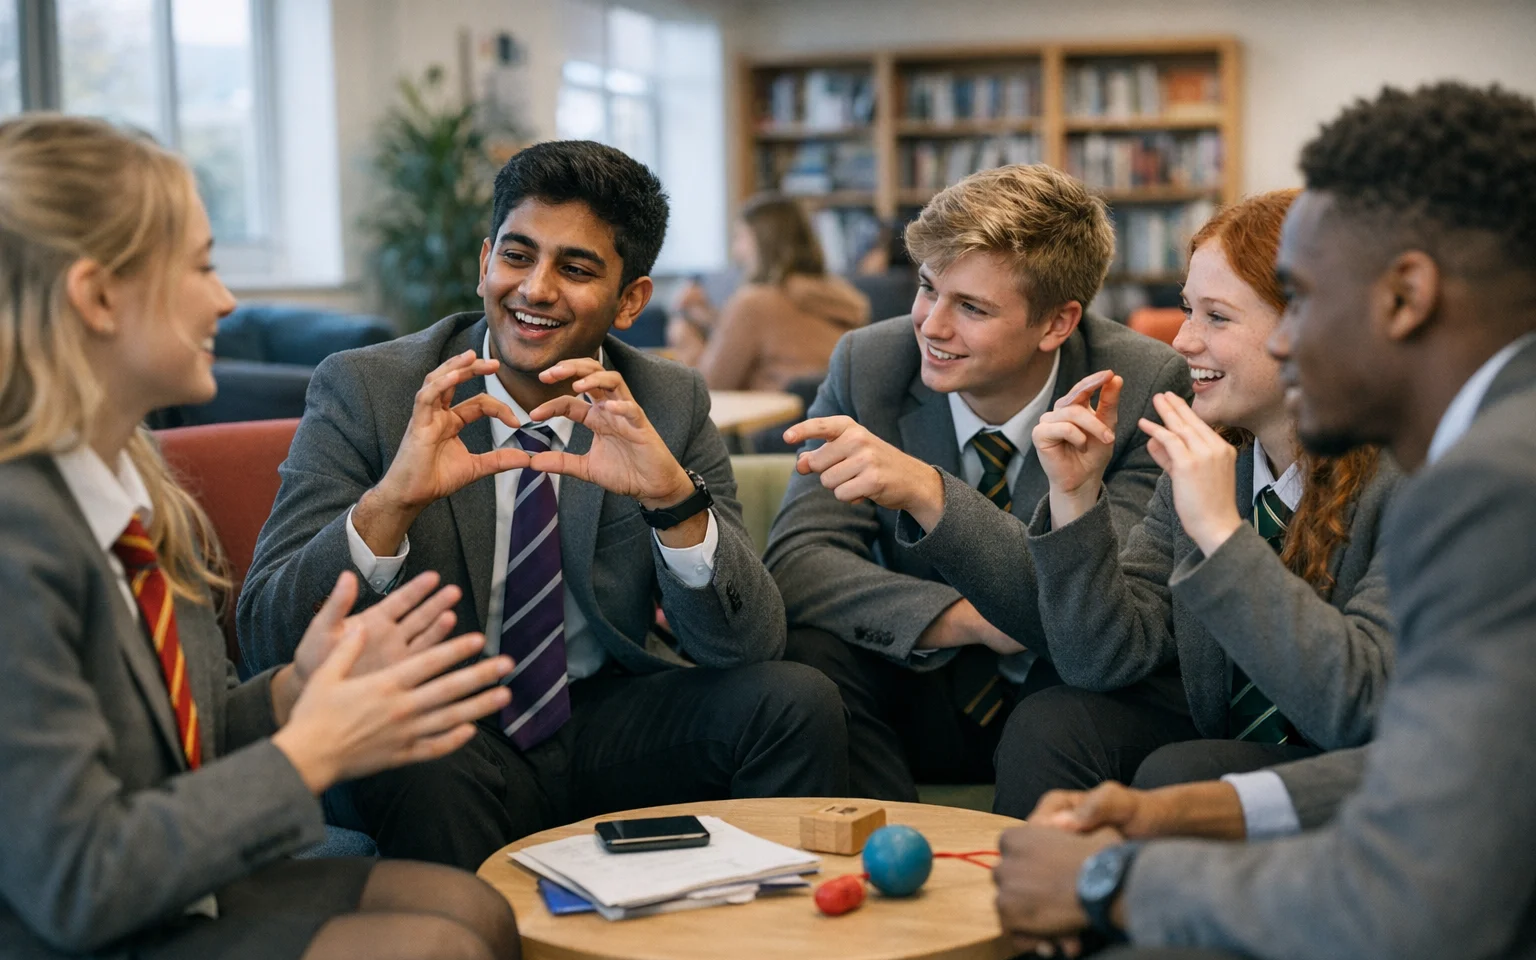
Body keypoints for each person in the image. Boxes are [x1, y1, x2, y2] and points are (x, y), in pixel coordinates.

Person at [991, 81, 1536, 960]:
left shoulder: (1488, 481)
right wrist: (1189, 814)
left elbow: (1408, 901)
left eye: (1308, 299)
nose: (1185, 345)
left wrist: (1110, 882)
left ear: (1405, 296)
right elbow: (1449, 761)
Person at [0, 115, 521, 960]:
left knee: (475, 908)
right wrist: (310, 748)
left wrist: (291, 694)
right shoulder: (17, 537)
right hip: (59, 959)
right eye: (201, 266)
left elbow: (162, 741)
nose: (227, 300)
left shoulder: (135, 487)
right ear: (96, 296)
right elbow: (78, 884)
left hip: (157, 897)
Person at [238, 140, 848, 873]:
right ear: (485, 259)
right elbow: (266, 634)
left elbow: (746, 645)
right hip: (437, 728)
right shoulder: (370, 389)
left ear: (631, 300)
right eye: (518, 257)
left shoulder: (665, 400)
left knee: (795, 700)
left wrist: (671, 501)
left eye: (577, 268)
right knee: (407, 748)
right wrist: (389, 505)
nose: (535, 289)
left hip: (598, 717)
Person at [765, 163, 1190, 801]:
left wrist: (929, 493)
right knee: (808, 658)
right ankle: (882, 865)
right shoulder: (870, 363)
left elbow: (1106, 617)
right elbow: (797, 564)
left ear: (1056, 324)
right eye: (928, 288)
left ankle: (1019, 886)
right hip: (916, 680)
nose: (932, 325)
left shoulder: (1138, 384)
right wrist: (969, 619)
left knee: (1065, 705)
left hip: (1062, 697)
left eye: (971, 307)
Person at [986, 189, 1399, 819]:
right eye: (1187, 311)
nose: (1182, 341)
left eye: (1217, 318)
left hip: (1370, 772)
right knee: (1052, 721)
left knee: (1184, 771)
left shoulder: (1417, 472)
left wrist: (1221, 534)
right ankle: (1034, 907)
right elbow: (1101, 659)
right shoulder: (1212, 456)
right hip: (1244, 742)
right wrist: (1076, 495)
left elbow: (1361, 708)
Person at [667, 192, 870, 391]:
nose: (736, 251)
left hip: (777, 421)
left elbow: (708, 388)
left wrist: (686, 338)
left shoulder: (753, 303)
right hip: (831, 421)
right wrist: (715, 323)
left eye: (741, 237)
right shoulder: (841, 297)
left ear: (763, 242)